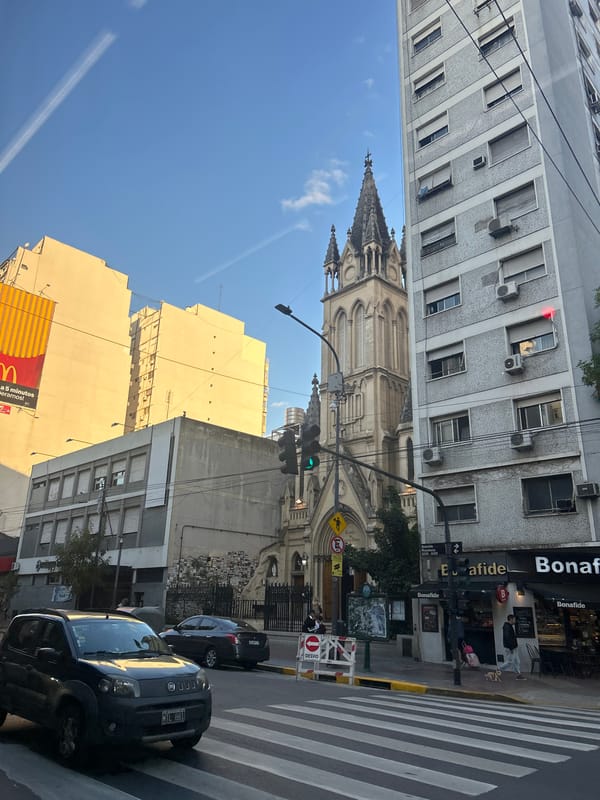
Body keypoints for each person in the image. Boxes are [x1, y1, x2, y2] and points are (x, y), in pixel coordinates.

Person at [499, 613, 525, 679]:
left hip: (513, 647)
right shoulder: (507, 627)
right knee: (510, 661)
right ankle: (499, 670)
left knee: (516, 661)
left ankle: (518, 674)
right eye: (514, 619)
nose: (515, 621)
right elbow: (507, 637)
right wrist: (511, 647)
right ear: (511, 619)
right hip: (511, 647)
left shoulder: (509, 626)